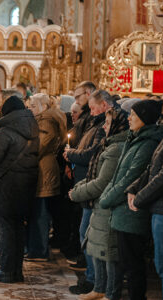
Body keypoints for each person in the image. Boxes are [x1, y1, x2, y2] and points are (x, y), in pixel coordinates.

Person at [100, 100, 163, 300]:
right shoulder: (136, 138)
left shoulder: (147, 142)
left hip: (136, 211)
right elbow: (145, 171)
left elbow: (154, 175)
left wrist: (136, 197)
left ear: (143, 118)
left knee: (135, 265)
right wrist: (132, 189)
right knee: (129, 262)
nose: (128, 117)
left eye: (133, 115)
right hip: (129, 206)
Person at [0, 95, 39, 283]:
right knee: (18, 232)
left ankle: (6, 271)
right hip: (25, 187)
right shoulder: (33, 130)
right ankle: (16, 271)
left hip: (5, 189)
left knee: (6, 233)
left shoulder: (5, 132)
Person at [70, 108, 129, 300]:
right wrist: (80, 186)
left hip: (107, 204)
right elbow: (93, 174)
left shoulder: (116, 148)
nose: (104, 126)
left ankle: (109, 292)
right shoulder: (108, 144)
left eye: (108, 123)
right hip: (99, 204)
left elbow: (102, 182)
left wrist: (78, 192)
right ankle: (99, 288)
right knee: (96, 246)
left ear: (118, 126)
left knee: (107, 251)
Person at [64, 89, 115, 295]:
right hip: (86, 181)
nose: (92, 113)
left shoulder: (104, 129)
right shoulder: (97, 124)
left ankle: (94, 280)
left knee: (89, 236)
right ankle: (93, 278)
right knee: (86, 234)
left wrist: (73, 155)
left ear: (104, 106)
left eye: (94, 109)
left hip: (93, 188)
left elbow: (93, 154)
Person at [126, 117, 163, 297]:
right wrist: (134, 188)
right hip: (158, 208)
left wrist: (139, 198)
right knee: (160, 265)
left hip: (162, 210)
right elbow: (153, 167)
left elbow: (162, 177)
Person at [26, 93, 66, 261]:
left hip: (44, 170)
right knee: (38, 211)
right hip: (44, 167)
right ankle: (35, 248)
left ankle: (39, 250)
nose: (30, 109)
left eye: (33, 106)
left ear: (44, 106)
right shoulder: (46, 119)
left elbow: (39, 146)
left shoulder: (46, 121)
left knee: (40, 213)